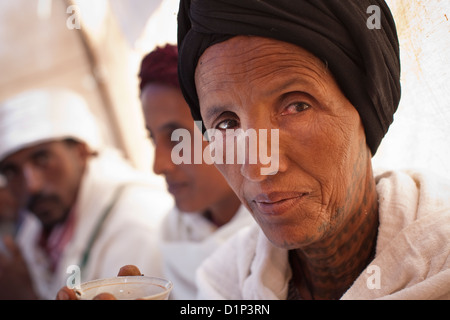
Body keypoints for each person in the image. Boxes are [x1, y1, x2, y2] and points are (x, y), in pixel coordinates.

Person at [177, 0, 450, 299]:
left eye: (296, 106)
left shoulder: (441, 267)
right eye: (227, 124)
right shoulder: (227, 283)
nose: (256, 167)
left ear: (367, 110)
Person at [0, 89, 172, 299]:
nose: (31, 186)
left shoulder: (137, 224)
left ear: (81, 152)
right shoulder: (38, 224)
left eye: (42, 159)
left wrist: (25, 296)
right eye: (11, 171)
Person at [138, 44, 254, 299]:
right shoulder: (173, 233)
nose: (158, 166)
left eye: (176, 138)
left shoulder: (281, 234)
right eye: (152, 138)